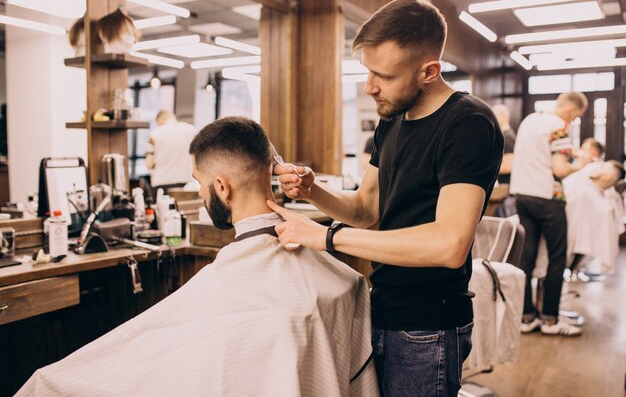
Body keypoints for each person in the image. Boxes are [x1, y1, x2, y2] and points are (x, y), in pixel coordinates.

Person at [17, 117, 378, 397]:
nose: (202, 192)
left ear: (222, 186)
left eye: (200, 182)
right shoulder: (342, 279)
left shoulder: (234, 274)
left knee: (47, 383)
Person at [268, 0, 503, 397]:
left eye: (384, 75)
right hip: (384, 308)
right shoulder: (392, 123)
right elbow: (365, 209)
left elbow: (449, 244)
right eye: (367, 71)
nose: (369, 87)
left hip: (428, 326)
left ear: (429, 70)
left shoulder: (468, 124)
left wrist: (325, 237)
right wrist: (314, 192)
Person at [509, 92, 591, 336]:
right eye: (575, 118)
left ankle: (526, 317)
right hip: (548, 198)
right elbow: (560, 169)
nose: (573, 121)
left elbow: (540, 155)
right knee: (557, 259)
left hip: (523, 195)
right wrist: (583, 162)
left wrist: (570, 153)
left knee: (527, 258)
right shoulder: (558, 126)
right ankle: (550, 320)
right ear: (571, 111)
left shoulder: (530, 120)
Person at [565, 160, 625, 279]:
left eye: (602, 167)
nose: (595, 168)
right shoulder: (586, 192)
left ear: (607, 177)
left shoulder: (588, 194)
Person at [145, 110, 197, 198]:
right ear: (173, 117)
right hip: (187, 183)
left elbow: (149, 164)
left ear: (159, 121)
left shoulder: (155, 134)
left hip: (162, 183)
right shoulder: (192, 130)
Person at [492, 104, 515, 185]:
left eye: (493, 115)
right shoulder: (504, 136)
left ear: (502, 117)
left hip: (505, 186)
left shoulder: (507, 138)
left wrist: (487, 168)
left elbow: (509, 165)